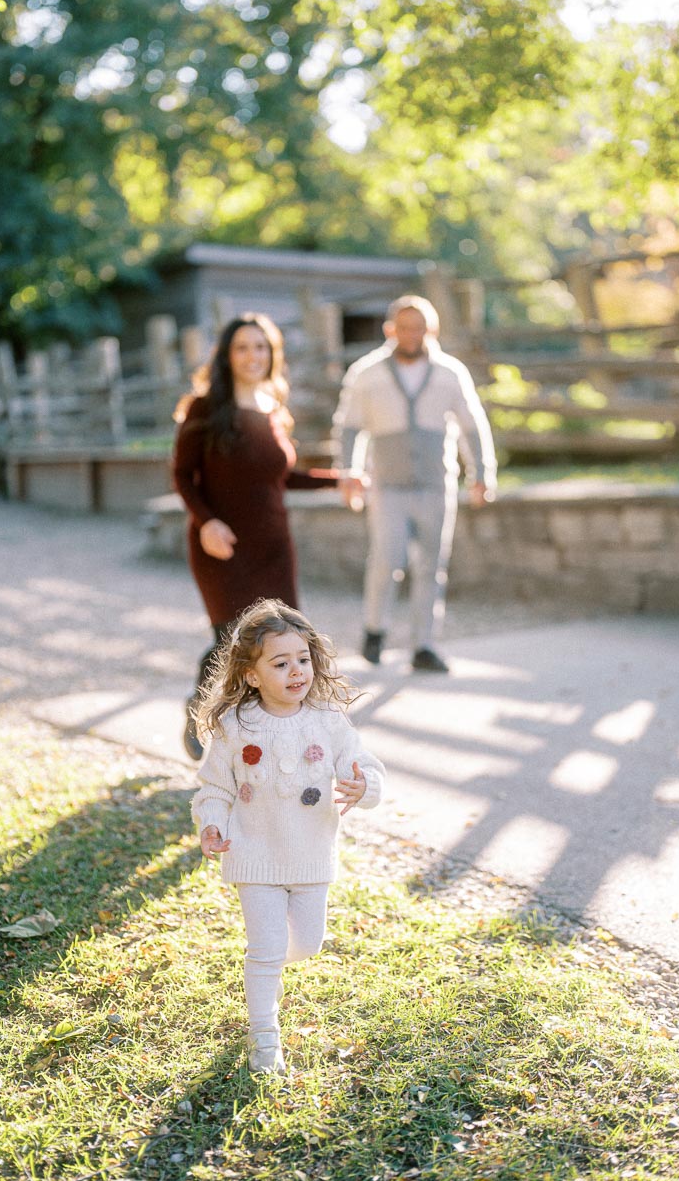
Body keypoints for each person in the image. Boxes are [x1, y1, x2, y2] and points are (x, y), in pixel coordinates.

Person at [190, 597, 385, 1076]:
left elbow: (368, 767)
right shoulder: (237, 726)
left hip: (311, 855)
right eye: (281, 663)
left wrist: (365, 787)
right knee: (265, 948)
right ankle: (264, 1037)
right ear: (252, 675)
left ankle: (271, 968)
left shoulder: (328, 722)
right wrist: (211, 823)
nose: (296, 671)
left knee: (308, 944)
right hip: (253, 855)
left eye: (303, 659)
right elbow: (213, 788)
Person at [172, 314, 337, 760]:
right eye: (242, 347)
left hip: (273, 545)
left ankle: (268, 736)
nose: (252, 356)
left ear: (272, 354)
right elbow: (182, 475)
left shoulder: (272, 406)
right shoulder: (205, 407)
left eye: (260, 347)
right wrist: (206, 521)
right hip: (221, 544)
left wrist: (338, 479)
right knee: (232, 637)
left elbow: (280, 477)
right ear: (227, 356)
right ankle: (199, 709)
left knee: (282, 642)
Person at [333, 294, 497, 673]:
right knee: (386, 559)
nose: (411, 334)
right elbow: (350, 426)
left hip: (436, 485)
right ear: (391, 329)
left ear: (431, 330)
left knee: (431, 566)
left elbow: (472, 425)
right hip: (388, 486)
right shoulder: (367, 373)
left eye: (419, 327)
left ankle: (424, 644)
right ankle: (375, 629)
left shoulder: (449, 373)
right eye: (403, 327)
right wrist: (349, 472)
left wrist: (482, 474)